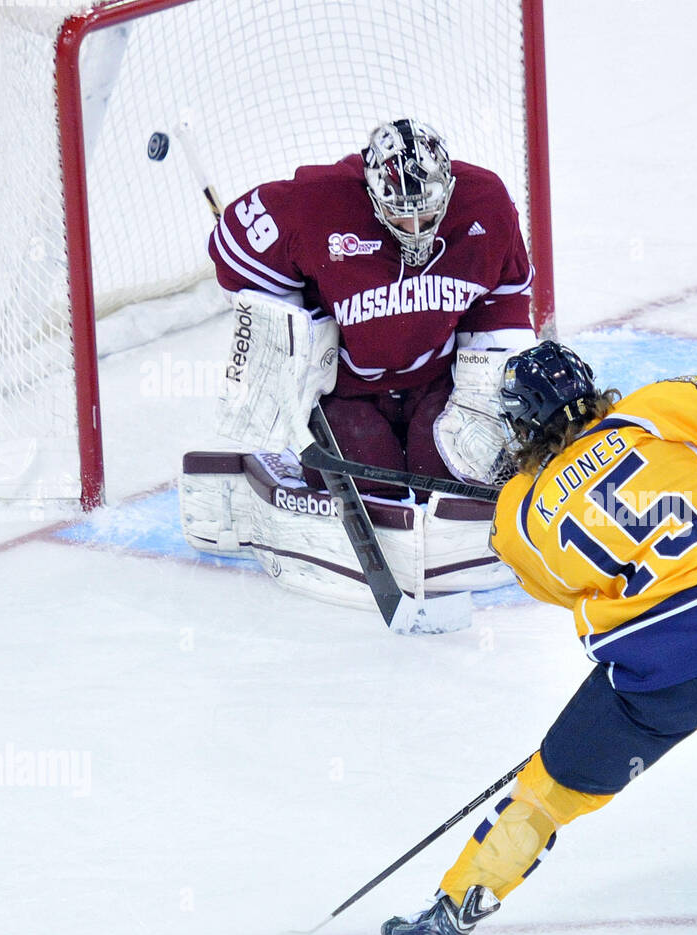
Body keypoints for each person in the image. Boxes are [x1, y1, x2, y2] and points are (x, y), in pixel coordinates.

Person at [372, 342, 697, 935]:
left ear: (518, 424)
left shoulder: (519, 511)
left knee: (546, 794)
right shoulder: (659, 407)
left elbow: (560, 588)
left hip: (662, 673)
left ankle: (444, 922)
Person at [180, 119, 535, 620]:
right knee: (375, 484)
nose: (414, 228)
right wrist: (293, 321)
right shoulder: (315, 204)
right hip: (347, 393)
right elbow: (229, 253)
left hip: (435, 381)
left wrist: (492, 395)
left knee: (454, 474)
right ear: (371, 195)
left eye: (427, 211)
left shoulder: (486, 204)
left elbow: (503, 301)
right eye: (398, 213)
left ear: (449, 187)